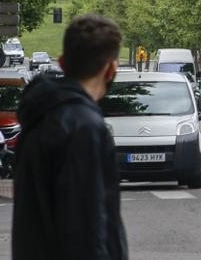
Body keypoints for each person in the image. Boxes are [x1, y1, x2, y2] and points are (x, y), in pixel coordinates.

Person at [12, 14, 126, 259]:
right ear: (111, 69)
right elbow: (85, 228)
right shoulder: (85, 128)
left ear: (62, 63)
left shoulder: (37, 117)